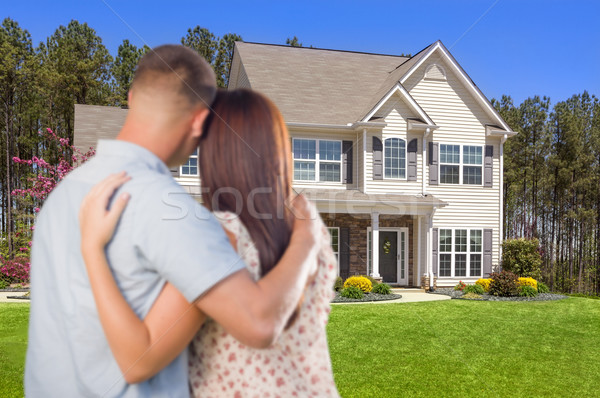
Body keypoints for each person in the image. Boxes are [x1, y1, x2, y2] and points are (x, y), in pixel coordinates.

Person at [25, 45, 321, 397]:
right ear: (200, 120)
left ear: (132, 97)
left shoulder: (60, 198)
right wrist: (306, 238)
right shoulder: (172, 211)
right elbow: (258, 323)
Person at [79, 89, 340, 397]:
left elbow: (140, 359)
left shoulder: (219, 236)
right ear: (280, 153)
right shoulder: (310, 230)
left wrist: (92, 248)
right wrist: (307, 238)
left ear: (214, 155)